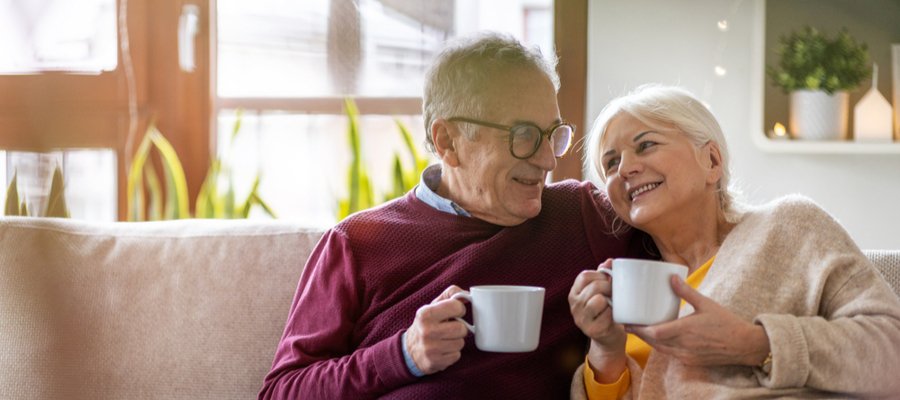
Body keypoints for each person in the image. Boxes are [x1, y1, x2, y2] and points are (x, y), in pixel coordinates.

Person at [258, 32, 651, 400]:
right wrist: (402, 354)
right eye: (525, 136)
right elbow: (282, 390)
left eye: (553, 134)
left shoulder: (582, 216)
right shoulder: (356, 242)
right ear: (448, 142)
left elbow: (695, 245)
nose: (548, 159)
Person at [568, 84, 900, 399]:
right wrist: (606, 349)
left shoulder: (789, 226)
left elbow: (892, 349)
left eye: (646, 145)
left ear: (711, 161)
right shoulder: (628, 290)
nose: (624, 168)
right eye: (611, 162)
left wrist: (755, 344)